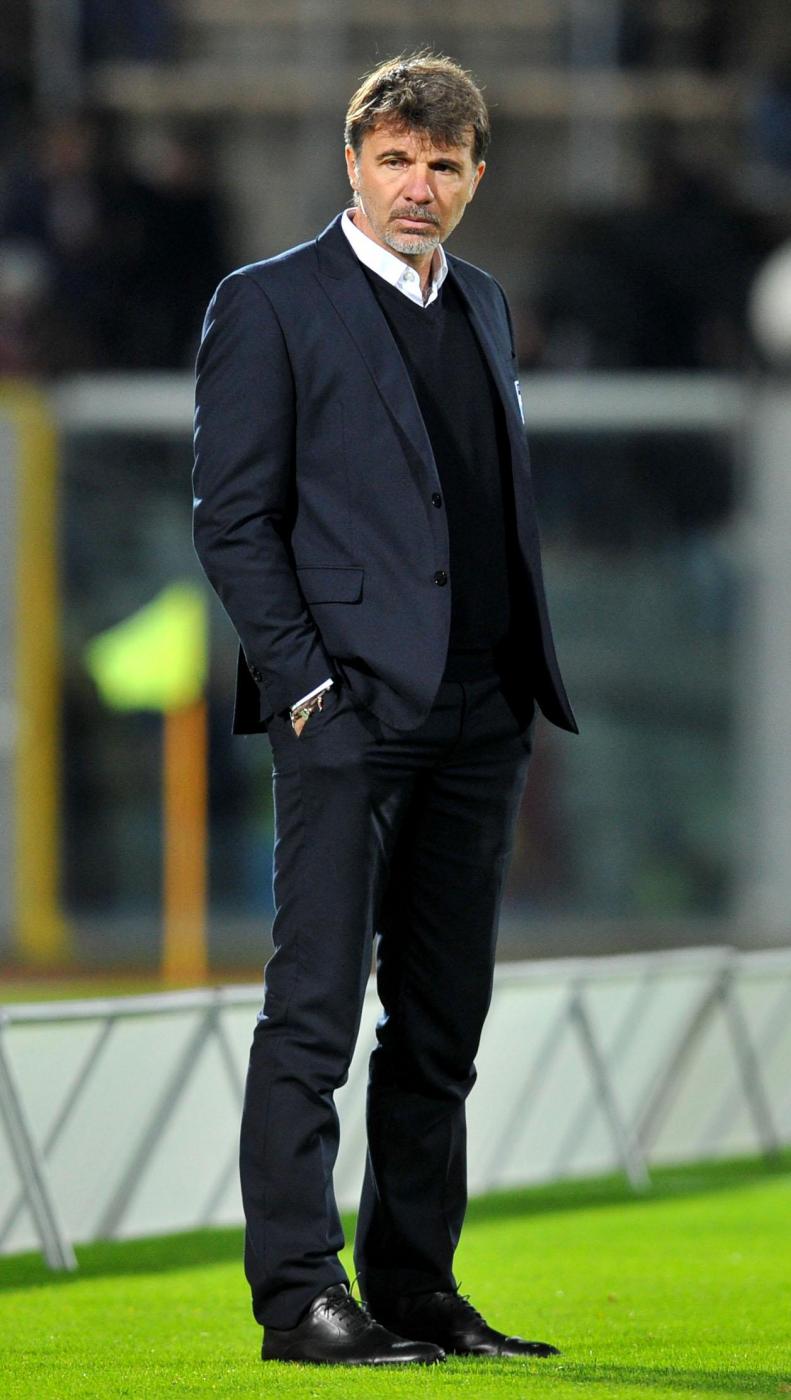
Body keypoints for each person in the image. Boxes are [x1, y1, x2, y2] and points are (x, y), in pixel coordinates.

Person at [193, 51, 576, 1367]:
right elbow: (234, 523)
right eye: (397, 159)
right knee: (313, 1016)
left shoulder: (483, 302)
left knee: (441, 1025)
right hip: (346, 713)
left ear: (476, 178)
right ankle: (300, 1296)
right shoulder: (267, 303)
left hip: (483, 714)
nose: (420, 185)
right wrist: (305, 688)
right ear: (353, 163)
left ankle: (414, 1286)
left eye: (444, 164)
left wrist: (512, 688)